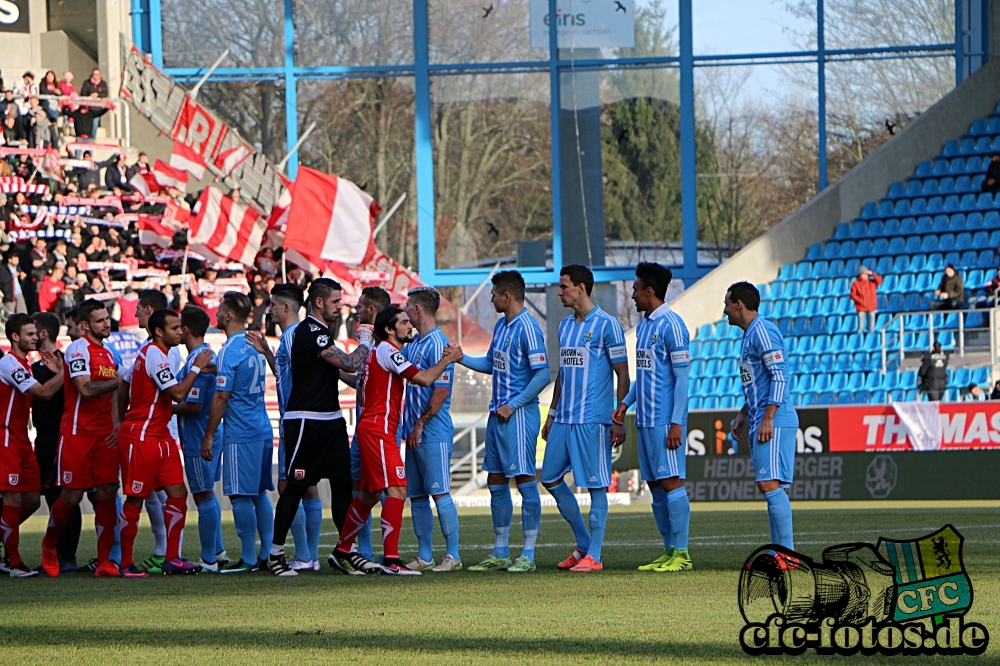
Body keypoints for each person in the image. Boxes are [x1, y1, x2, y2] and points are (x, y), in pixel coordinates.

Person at [329, 306, 462, 576]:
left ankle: (342, 551)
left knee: (369, 495)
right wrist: (448, 360)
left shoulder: (376, 354)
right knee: (398, 490)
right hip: (378, 430)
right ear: (389, 329)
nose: (408, 325)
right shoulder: (389, 352)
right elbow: (424, 379)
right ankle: (391, 560)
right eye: (402, 322)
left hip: (373, 428)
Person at [259, 279, 376, 577]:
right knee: (296, 486)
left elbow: (338, 373)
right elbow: (349, 363)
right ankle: (274, 555)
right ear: (320, 303)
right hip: (305, 421)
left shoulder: (321, 334)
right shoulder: (309, 331)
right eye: (336, 302)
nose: (341, 307)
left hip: (331, 420)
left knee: (341, 489)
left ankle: (344, 552)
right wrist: (365, 339)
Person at [458, 270, 551, 573]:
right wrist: (461, 358)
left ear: (507, 296)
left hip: (519, 415)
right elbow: (490, 364)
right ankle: (500, 551)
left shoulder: (529, 328)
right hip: (497, 414)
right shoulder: (501, 326)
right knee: (495, 479)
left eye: (494, 294)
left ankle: (528, 553)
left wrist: (513, 405)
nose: (491, 298)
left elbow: (542, 375)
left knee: (524, 480)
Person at [544, 265, 630, 573]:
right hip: (564, 419)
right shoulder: (565, 327)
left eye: (564, 286)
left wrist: (619, 415)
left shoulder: (607, 325)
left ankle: (595, 554)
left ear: (581, 288)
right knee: (550, 477)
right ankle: (582, 544)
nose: (560, 291)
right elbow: (562, 375)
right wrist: (552, 413)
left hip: (593, 419)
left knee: (596, 486)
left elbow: (623, 373)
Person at [114, 310, 212, 577]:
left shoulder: (152, 353)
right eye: (175, 327)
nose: (180, 331)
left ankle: (172, 558)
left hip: (160, 437)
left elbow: (125, 385)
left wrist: (121, 419)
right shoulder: (155, 355)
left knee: (178, 494)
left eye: (180, 327)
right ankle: (125, 564)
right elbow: (178, 393)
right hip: (142, 437)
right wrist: (196, 367)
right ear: (159, 331)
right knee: (135, 499)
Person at [611, 263, 693, 572]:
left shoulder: (672, 325)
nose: (631, 295)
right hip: (644, 420)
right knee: (656, 487)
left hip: (663, 420)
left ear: (649, 291)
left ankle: (682, 554)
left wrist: (676, 422)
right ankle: (669, 550)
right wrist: (625, 404)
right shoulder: (644, 326)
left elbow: (682, 379)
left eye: (635, 289)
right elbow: (644, 376)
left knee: (671, 483)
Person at [40, 299, 122, 578]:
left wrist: (115, 423)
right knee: (72, 496)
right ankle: (49, 544)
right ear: (85, 325)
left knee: (108, 492)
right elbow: (85, 389)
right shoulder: (77, 350)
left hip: (104, 435)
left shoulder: (108, 353)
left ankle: (104, 561)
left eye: (107, 318)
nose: (107, 323)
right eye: (100, 320)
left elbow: (111, 395)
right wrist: (120, 381)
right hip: (77, 432)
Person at [200, 292, 275, 573]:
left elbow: (221, 396)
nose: (217, 314)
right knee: (258, 494)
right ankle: (267, 553)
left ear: (228, 316)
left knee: (240, 496)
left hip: (240, 433)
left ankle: (248, 558)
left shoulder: (230, 349)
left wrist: (209, 434)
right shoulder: (253, 344)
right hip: (262, 427)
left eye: (220, 310)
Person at [725, 282, 798, 553]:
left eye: (727, 304)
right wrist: (744, 414)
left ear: (739, 304)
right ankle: (778, 552)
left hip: (775, 419)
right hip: (761, 418)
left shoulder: (763, 331)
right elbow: (759, 382)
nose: (725, 310)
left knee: (769, 483)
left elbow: (779, 375)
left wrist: (768, 417)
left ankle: (787, 553)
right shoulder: (749, 336)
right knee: (770, 485)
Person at [249, 283, 316, 571]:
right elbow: (287, 373)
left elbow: (300, 382)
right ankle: (309, 556)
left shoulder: (293, 337)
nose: (269, 309)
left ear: (286, 307)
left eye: (273, 304)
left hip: (295, 421)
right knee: (307, 488)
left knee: (289, 485)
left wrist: (292, 420)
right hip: (302, 420)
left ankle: (303, 555)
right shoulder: (292, 337)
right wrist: (266, 353)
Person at [399, 286, 462, 573]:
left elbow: (441, 392)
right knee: (418, 495)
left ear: (418, 310)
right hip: (413, 432)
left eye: (408, 306)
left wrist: (421, 423)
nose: (406, 310)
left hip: (432, 431)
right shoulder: (413, 345)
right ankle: (424, 555)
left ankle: (453, 555)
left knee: (440, 492)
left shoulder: (440, 345)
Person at [0, 314, 64, 577]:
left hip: (21, 439)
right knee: (13, 498)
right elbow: (44, 393)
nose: (35, 337)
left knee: (31, 500)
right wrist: (64, 373)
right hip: (4, 439)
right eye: (29, 334)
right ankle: (14, 564)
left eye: (35, 333)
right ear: (15, 337)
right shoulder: (8, 363)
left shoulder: (25, 364)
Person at [174, 306, 227, 572]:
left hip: (199, 438)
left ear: (185, 330)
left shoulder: (200, 358)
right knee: (208, 493)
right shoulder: (204, 357)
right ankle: (218, 551)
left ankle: (208, 559)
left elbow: (193, 405)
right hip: (208, 434)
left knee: (203, 495)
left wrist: (162, 406)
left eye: (178, 326)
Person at [342, 286, 391, 561]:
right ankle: (365, 549)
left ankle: (389, 551)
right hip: (363, 428)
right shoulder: (367, 341)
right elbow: (362, 380)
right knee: (358, 487)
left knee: (384, 489)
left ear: (371, 310)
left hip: (381, 429)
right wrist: (335, 372)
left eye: (360, 307)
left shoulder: (384, 342)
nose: (356, 311)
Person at [849, 266, 882, 334]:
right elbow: (852, 295)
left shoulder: (872, 282)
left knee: (871, 327)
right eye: (864, 274)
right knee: (861, 327)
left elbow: (879, 281)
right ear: (861, 275)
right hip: (861, 308)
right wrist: (860, 300)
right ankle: (859, 341)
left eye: (867, 274)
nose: (866, 275)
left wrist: (872, 273)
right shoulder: (855, 284)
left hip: (871, 307)